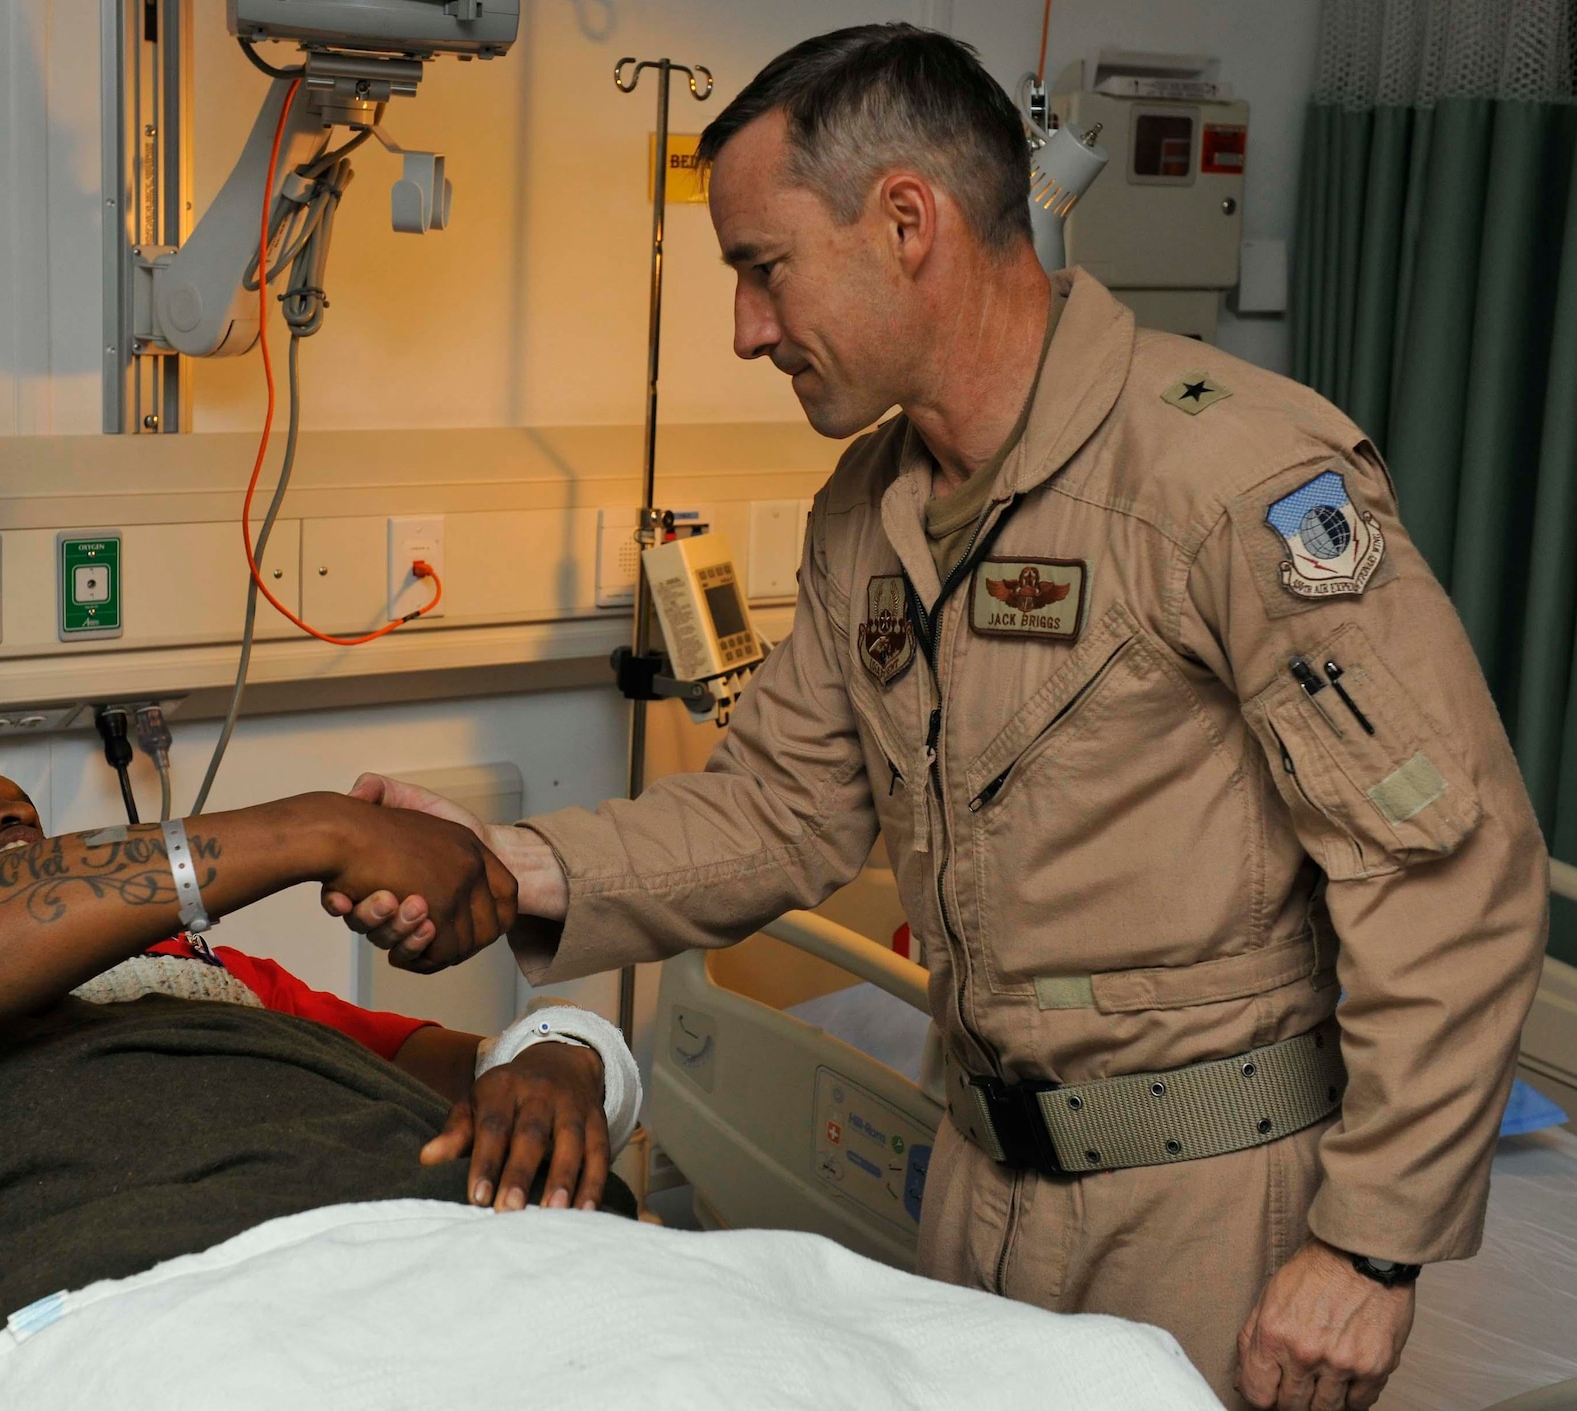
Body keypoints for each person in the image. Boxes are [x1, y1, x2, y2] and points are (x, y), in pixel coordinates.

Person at [330, 24, 1550, 1411]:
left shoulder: (1226, 475)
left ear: (905, 221)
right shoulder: (871, 511)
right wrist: (505, 866)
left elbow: (1444, 865)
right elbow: (779, 809)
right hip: (976, 1187)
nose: (743, 328)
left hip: (1215, 1215)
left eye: (762, 266)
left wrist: (1371, 1242)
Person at [0, 761, 619, 1408]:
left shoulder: (206, 977)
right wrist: (311, 827)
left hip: (410, 1256)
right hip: (74, 1325)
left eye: (27, 812)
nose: (11, 821)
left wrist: (567, 1049)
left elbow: (463, 1063)